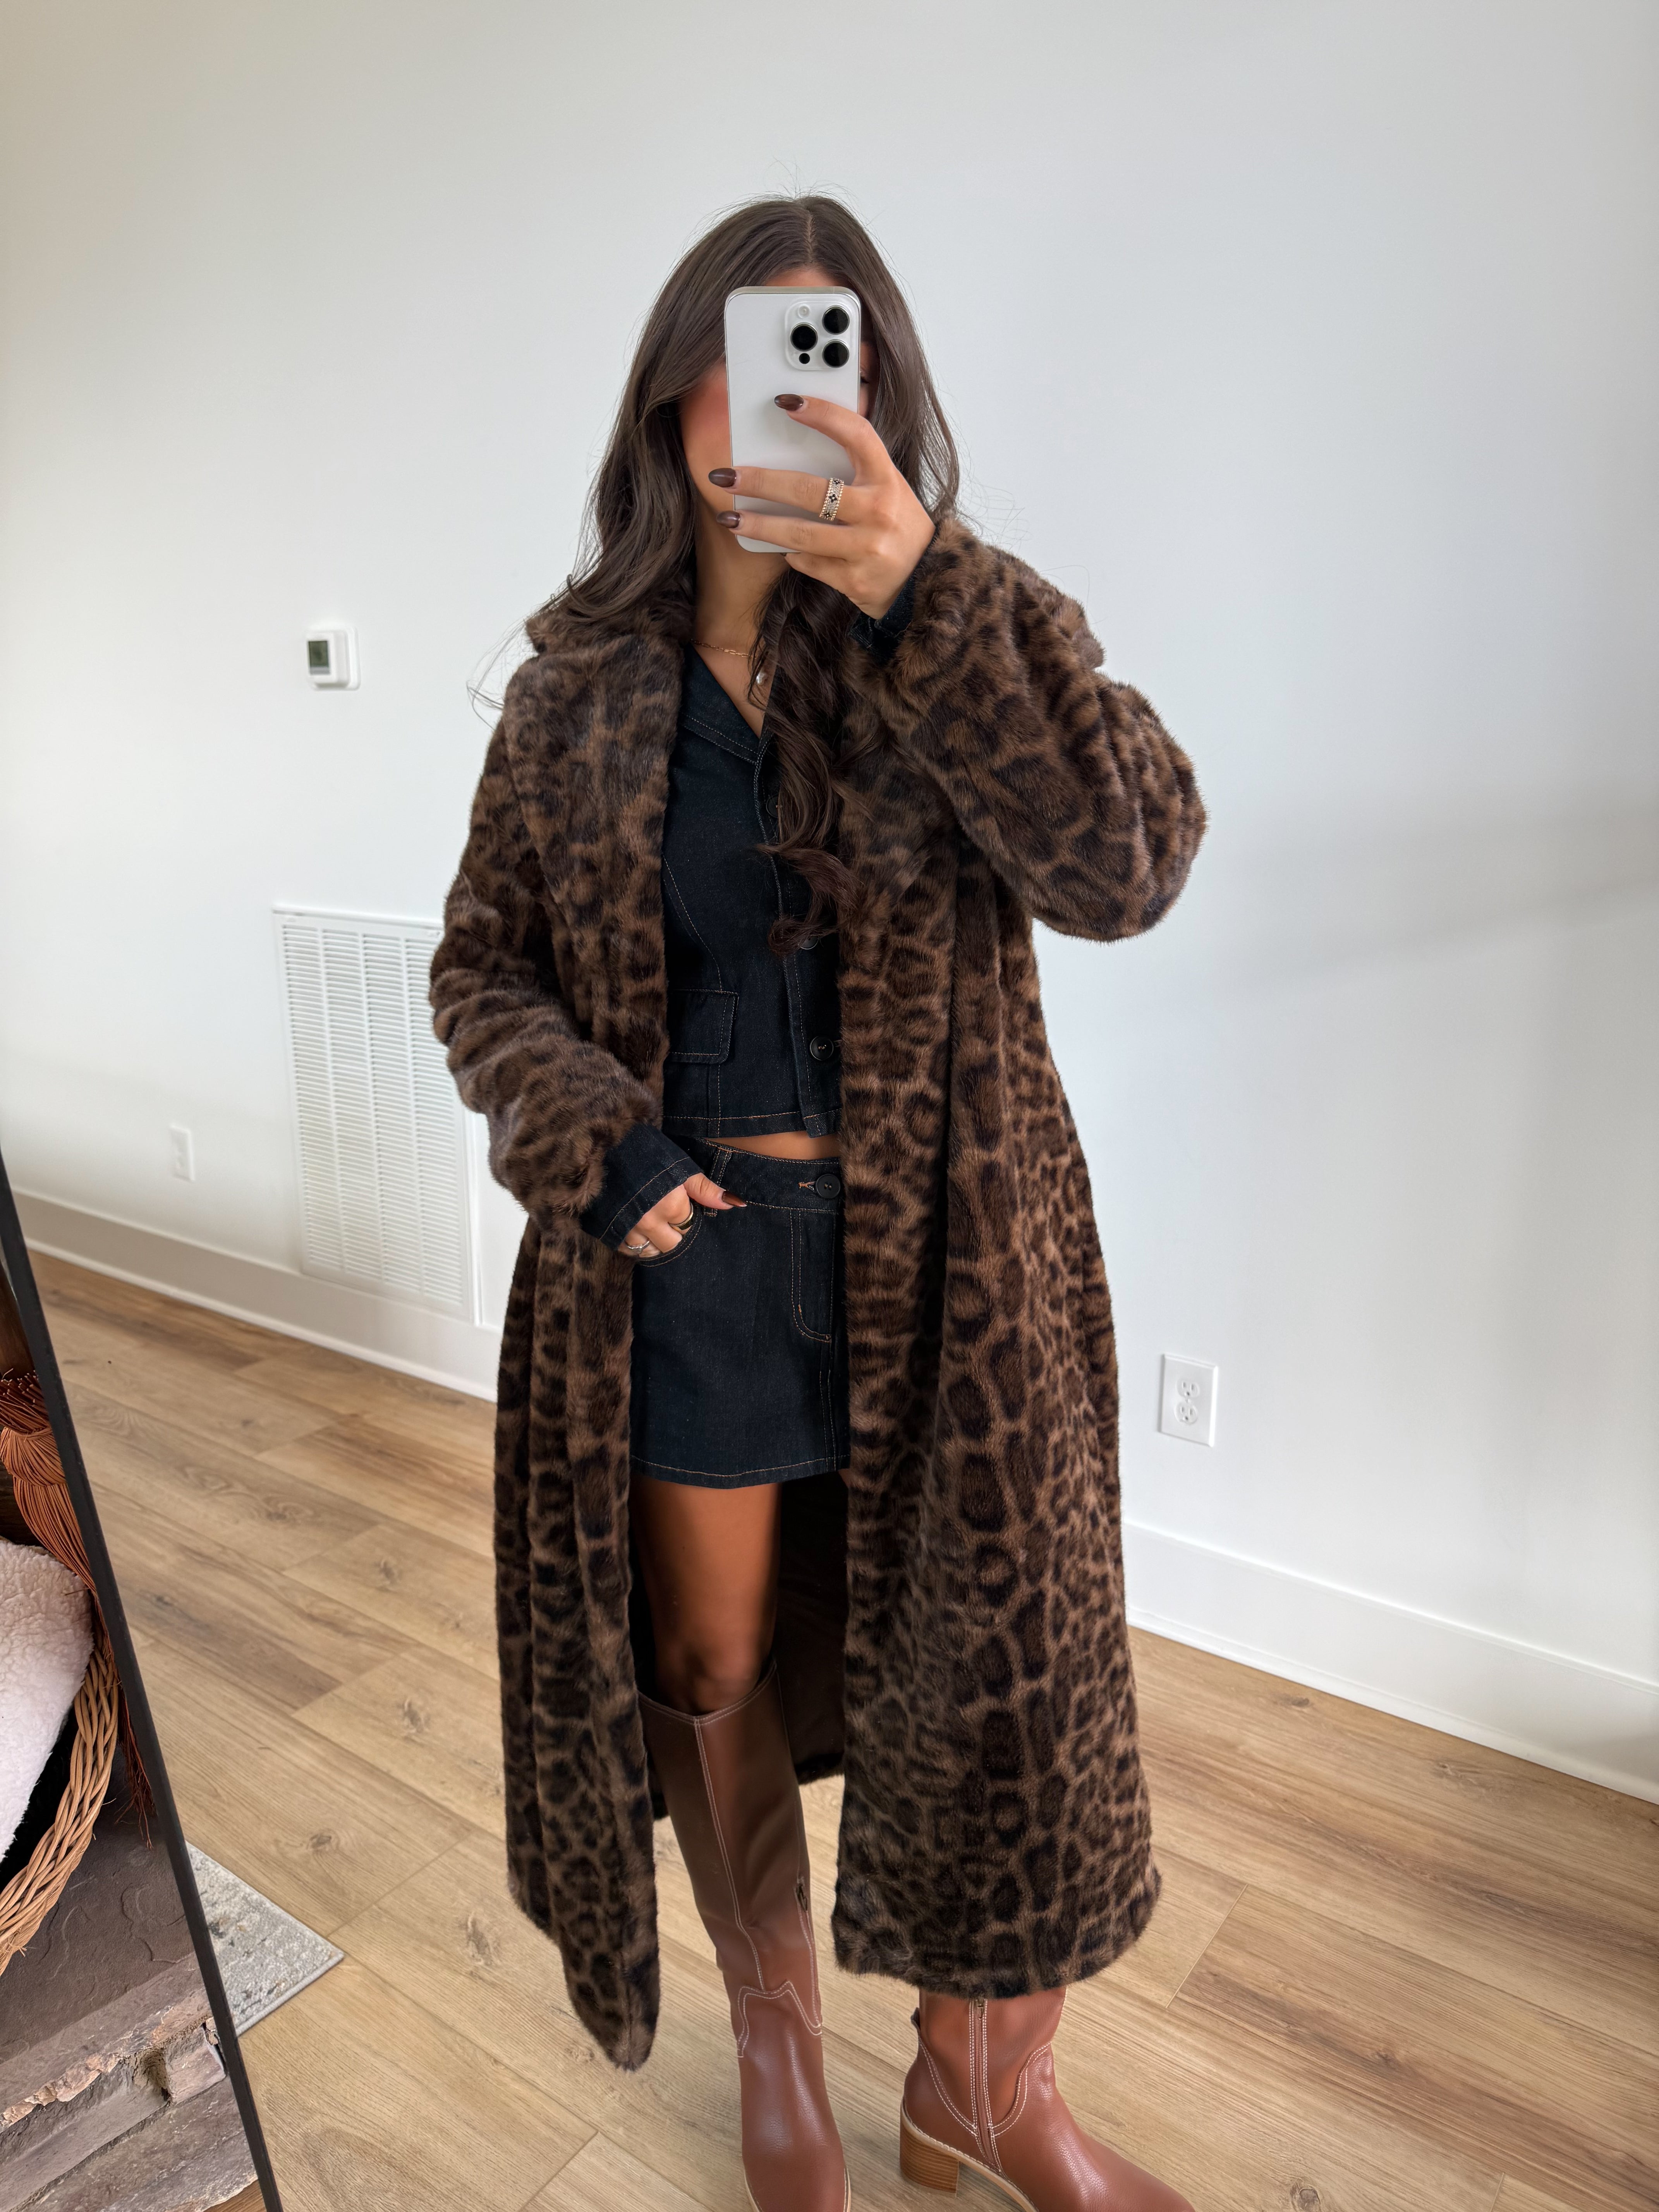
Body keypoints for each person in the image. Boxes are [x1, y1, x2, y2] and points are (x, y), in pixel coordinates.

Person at [431, 194, 1204, 2212]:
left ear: (873, 392)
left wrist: (929, 593)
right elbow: (483, 973)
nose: (772, 404)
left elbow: (1128, 860)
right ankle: (772, 2021)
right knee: (708, 1661)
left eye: (819, 357)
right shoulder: (576, 696)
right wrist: (594, 1137)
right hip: (688, 1265)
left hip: (950, 1280)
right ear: (669, 391)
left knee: (997, 1695)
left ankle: (988, 2094)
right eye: (741, 357)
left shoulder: (956, 631)